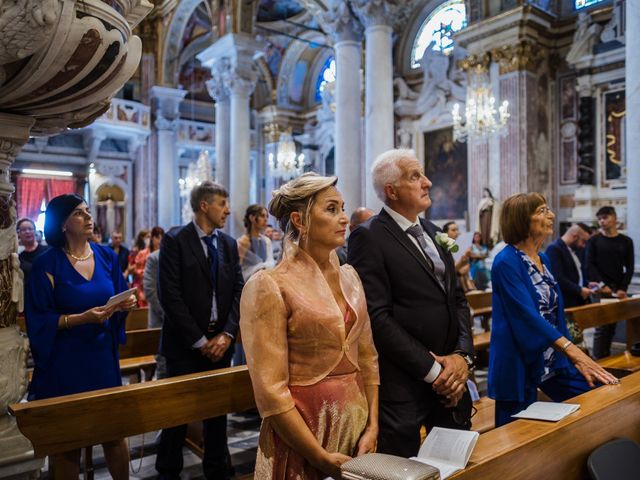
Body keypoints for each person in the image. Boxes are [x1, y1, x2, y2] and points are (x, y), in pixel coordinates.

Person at [240, 173, 379, 479]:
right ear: (299, 220)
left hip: (357, 423)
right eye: (331, 209)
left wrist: (373, 425)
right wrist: (318, 456)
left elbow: (368, 358)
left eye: (343, 208)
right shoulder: (270, 285)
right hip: (305, 428)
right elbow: (271, 391)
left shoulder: (350, 278)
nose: (343, 218)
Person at [348, 149, 474, 458]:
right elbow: (377, 317)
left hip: (451, 380)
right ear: (391, 191)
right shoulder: (369, 237)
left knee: (453, 465)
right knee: (403, 469)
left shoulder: (434, 232)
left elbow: (457, 299)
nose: (428, 182)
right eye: (415, 176)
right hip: (404, 384)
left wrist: (462, 358)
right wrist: (434, 371)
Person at [25, 194, 136, 478]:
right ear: (62, 224)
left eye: (87, 211)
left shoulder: (106, 256)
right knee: (68, 443)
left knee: (114, 434)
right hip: (64, 362)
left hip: (101, 359)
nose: (88, 217)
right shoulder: (46, 264)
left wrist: (125, 306)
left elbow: (119, 297)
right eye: (78, 213)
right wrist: (80, 319)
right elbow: (38, 320)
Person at [489, 193, 619, 427]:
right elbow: (527, 316)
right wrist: (573, 352)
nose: (551, 215)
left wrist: (573, 356)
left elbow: (554, 312)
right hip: (519, 359)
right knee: (513, 437)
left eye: (548, 209)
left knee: (604, 392)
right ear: (521, 220)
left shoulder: (543, 259)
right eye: (541, 211)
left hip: (551, 357)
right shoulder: (505, 261)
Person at [155, 181, 244, 480]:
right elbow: (170, 295)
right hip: (184, 344)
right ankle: (168, 472)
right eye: (222, 203)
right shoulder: (175, 240)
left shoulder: (229, 244)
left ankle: (217, 471)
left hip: (221, 343)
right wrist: (199, 340)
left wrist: (228, 334)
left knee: (217, 416)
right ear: (204, 205)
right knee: (177, 416)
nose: (228, 210)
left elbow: (238, 292)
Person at [585, 206, 635, 359]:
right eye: (599, 219)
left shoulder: (626, 241)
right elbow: (589, 265)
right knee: (602, 327)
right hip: (600, 290)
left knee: (612, 325)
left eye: (605, 218)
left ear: (614, 218)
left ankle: (608, 359)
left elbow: (630, 267)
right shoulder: (594, 241)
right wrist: (602, 285)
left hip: (617, 289)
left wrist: (622, 288)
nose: (602, 222)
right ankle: (599, 360)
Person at [545, 223, 592, 345]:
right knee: (570, 341)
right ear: (575, 235)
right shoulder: (554, 248)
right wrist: (579, 290)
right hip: (565, 302)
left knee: (577, 340)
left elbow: (577, 273)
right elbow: (558, 278)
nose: (583, 245)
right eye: (583, 241)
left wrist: (586, 285)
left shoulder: (572, 250)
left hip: (574, 302)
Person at [142, 233, 167, 378]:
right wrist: (168, 314)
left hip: (181, 326)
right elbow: (150, 290)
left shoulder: (180, 256)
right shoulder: (154, 258)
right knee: (162, 365)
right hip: (160, 321)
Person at [236, 204, 275, 281]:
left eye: (267, 216)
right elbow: (238, 269)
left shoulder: (267, 241)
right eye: (262, 216)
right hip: (248, 284)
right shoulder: (242, 242)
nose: (265, 219)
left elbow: (271, 262)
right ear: (252, 218)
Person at [133, 226, 164, 307]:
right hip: (144, 288)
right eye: (157, 237)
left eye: (162, 238)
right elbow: (138, 271)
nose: (159, 240)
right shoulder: (143, 253)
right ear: (152, 238)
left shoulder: (165, 253)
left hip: (161, 289)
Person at [442, 221, 476, 292]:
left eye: (457, 230)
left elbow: (463, 267)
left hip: (461, 283)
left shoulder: (457, 246)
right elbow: (448, 270)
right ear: (445, 233)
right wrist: (461, 264)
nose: (457, 232)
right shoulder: (443, 248)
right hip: (452, 285)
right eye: (453, 230)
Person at [17, 218, 49, 285]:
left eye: (30, 229)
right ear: (19, 234)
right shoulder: (19, 259)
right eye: (23, 230)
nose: (27, 232)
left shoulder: (48, 251)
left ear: (35, 231)